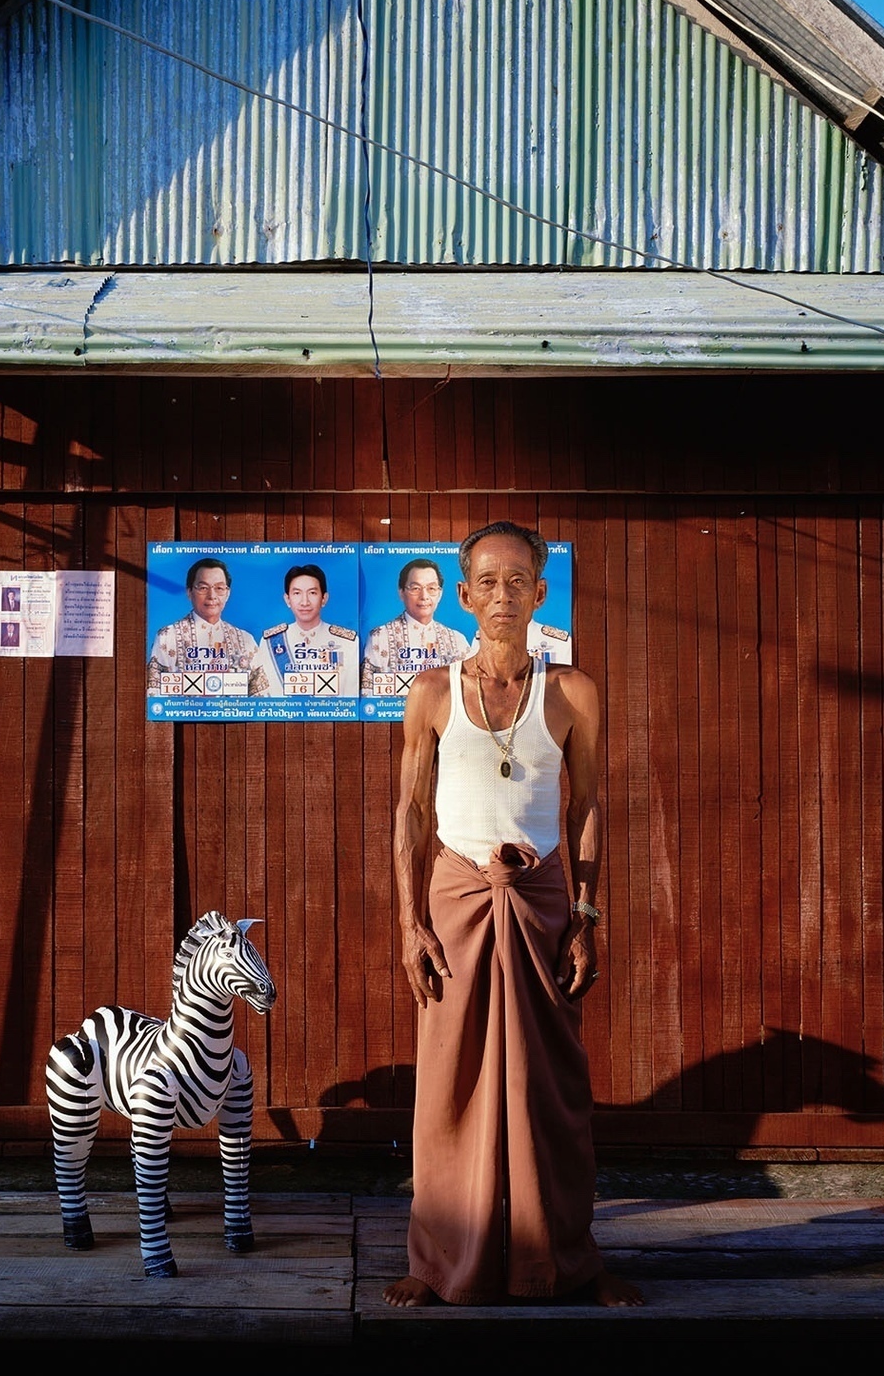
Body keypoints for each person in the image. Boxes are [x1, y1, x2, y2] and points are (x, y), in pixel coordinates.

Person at [384, 521, 642, 1310]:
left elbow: (590, 806)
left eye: (518, 581)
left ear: (540, 593)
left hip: (541, 904)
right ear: (464, 598)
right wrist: (409, 924)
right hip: (456, 904)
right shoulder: (431, 693)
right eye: (487, 583)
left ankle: (567, 1260)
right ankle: (437, 1264)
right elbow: (411, 809)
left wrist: (588, 915)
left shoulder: (572, 693)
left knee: (553, 1086)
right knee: (448, 1086)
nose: (503, 595)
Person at [361, 558, 471, 695]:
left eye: (431, 588)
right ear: (401, 592)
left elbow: (468, 694)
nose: (424, 596)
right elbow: (368, 696)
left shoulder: (457, 640)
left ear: (440, 594)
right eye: (415, 588)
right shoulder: (380, 637)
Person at [248, 562, 359, 698]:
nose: (304, 602)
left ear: (324, 598)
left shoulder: (347, 642)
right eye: (297, 593)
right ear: (287, 599)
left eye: (312, 593)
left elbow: (351, 698)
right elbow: (262, 696)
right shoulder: (270, 642)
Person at [146, 557, 257, 690]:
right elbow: (153, 693)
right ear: (189, 592)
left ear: (227, 594)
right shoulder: (168, 637)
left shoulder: (246, 640)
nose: (212, 595)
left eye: (219, 588)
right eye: (203, 587)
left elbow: (261, 695)